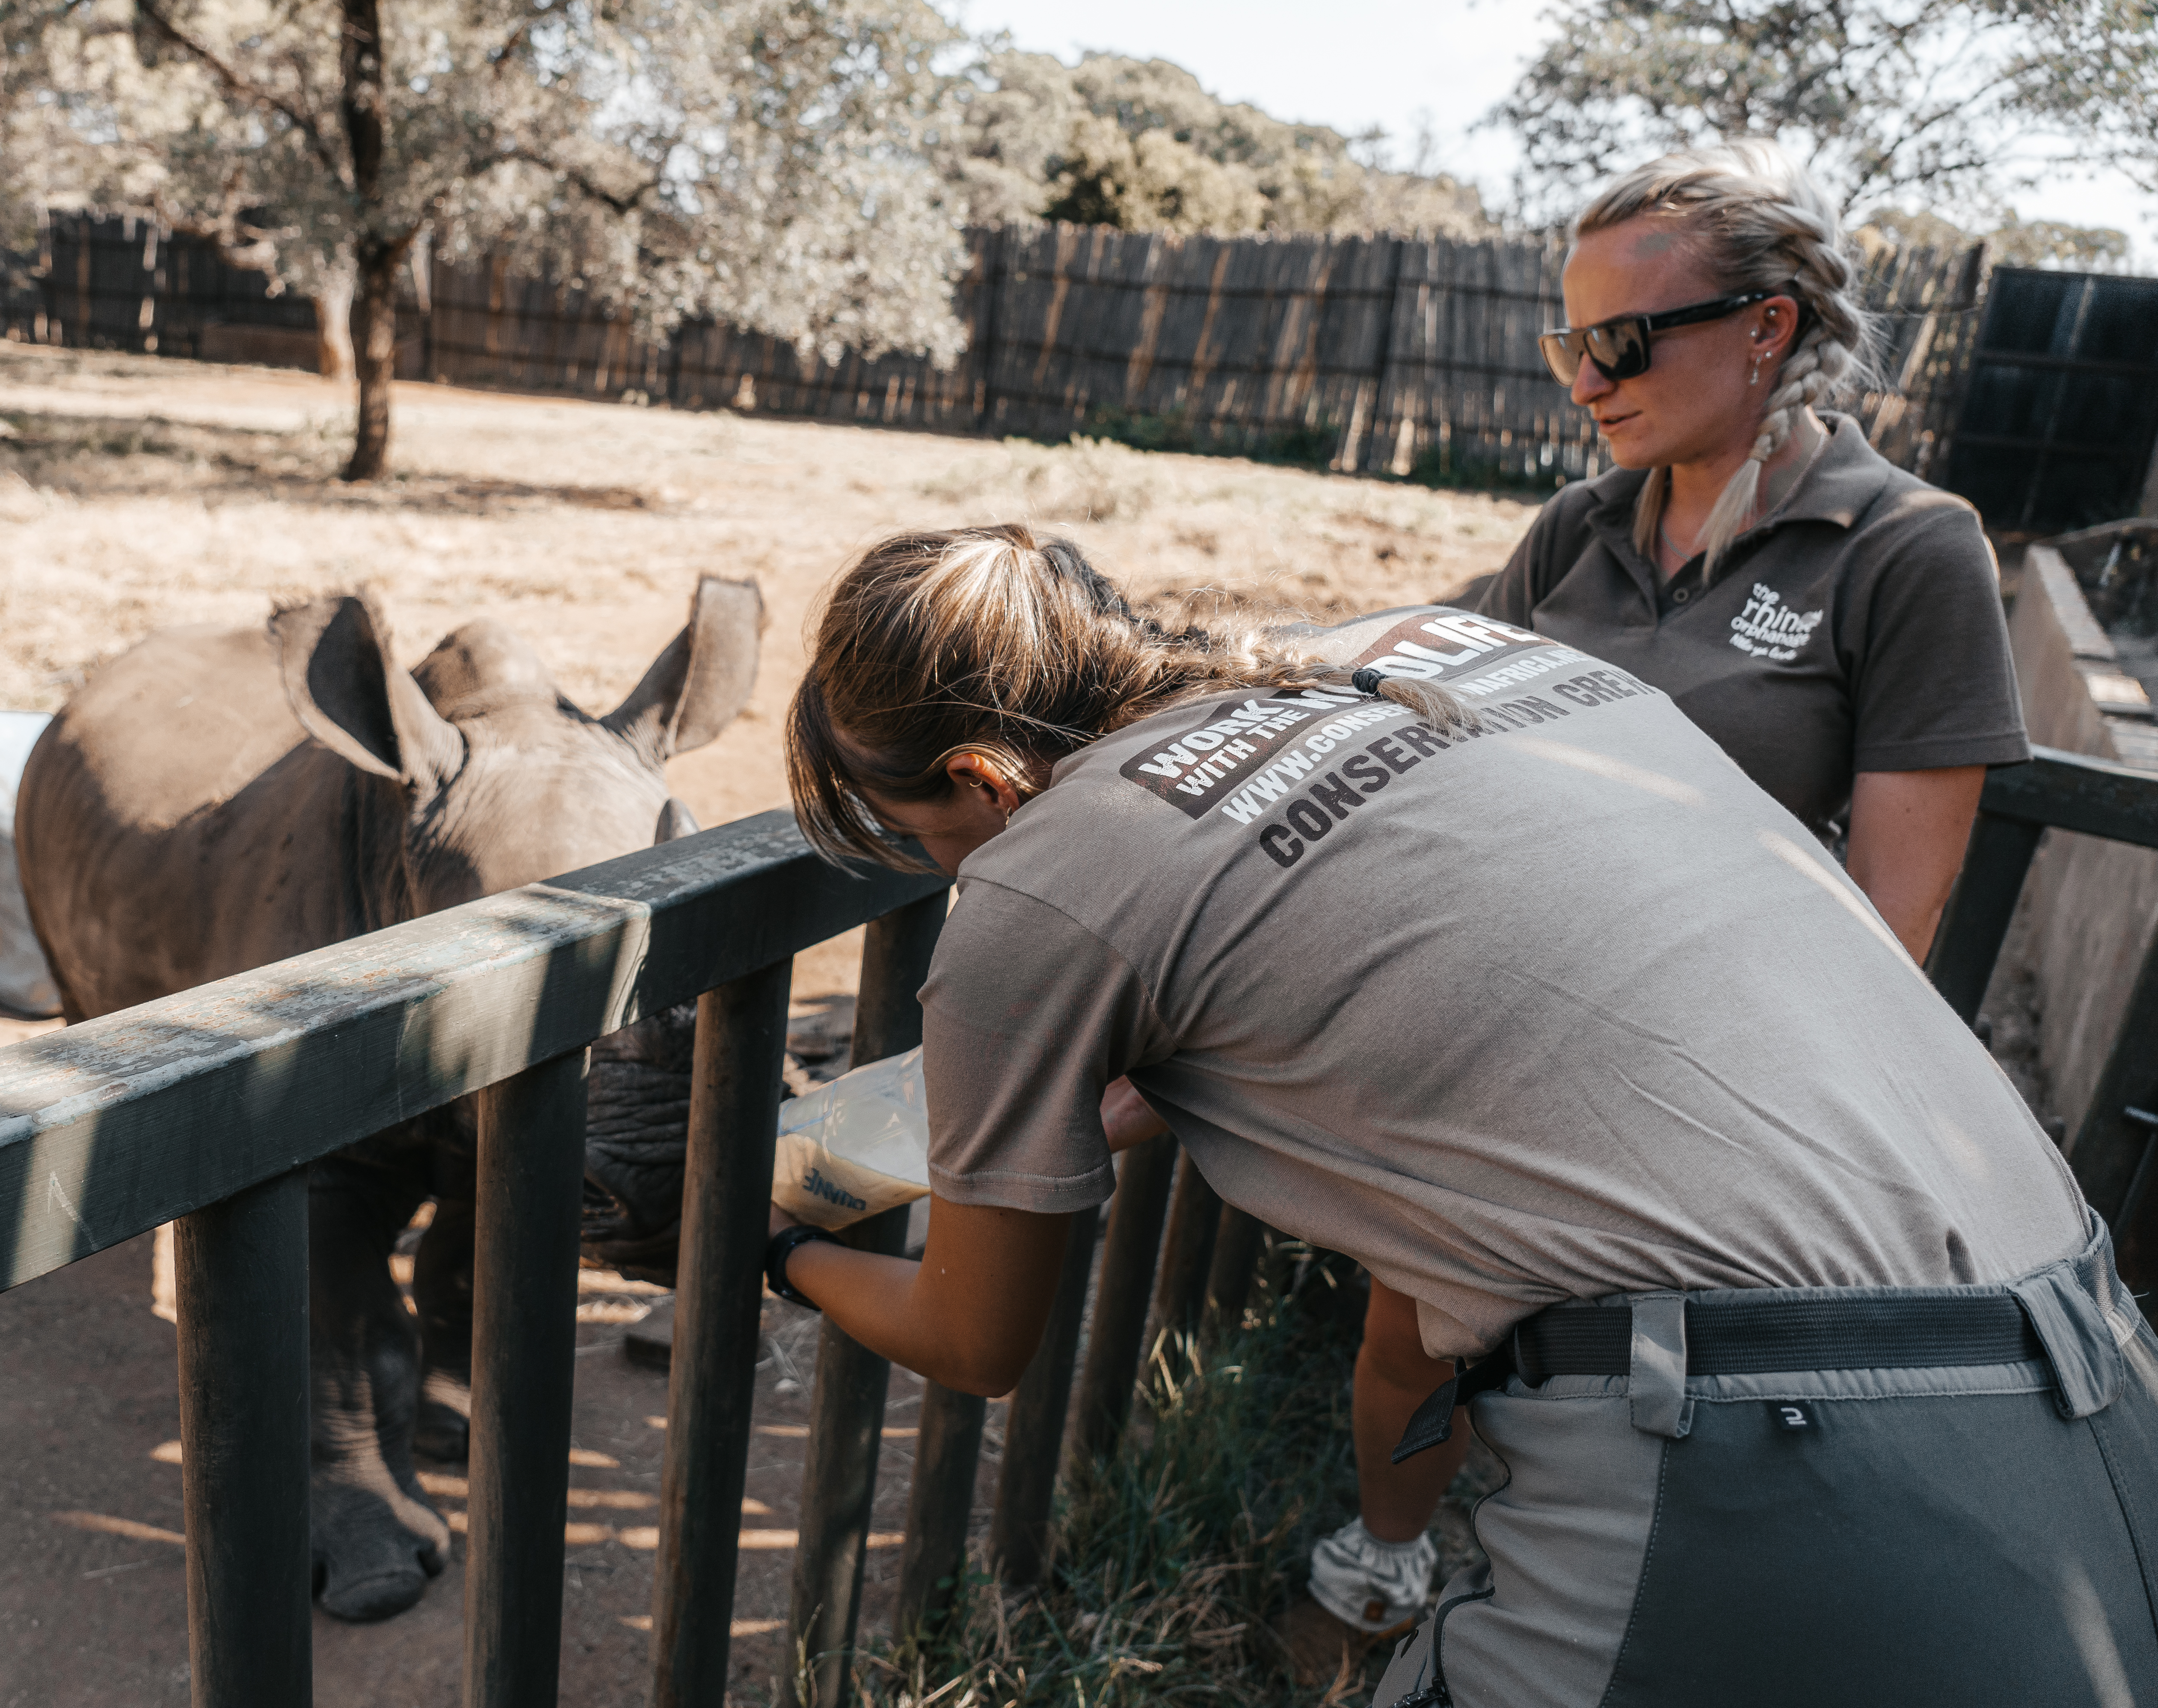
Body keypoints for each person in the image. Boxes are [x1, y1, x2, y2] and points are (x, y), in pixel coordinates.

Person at [764, 522, 2153, 1707]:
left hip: (1780, 1449)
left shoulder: (1044, 873)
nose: (945, 875)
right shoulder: (1442, 651)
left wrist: (783, 1248)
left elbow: (977, 1338)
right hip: (2095, 1368)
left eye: (917, 845)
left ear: (982, 784)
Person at [1314, 138, 2040, 1661]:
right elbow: (1398, 698)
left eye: (1624, 340)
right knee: (1411, 1336)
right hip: (1505, 1030)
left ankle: (1578, 1633)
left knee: (1628, 1401)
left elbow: (1888, 928)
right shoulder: (1581, 532)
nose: (1586, 377)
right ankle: (1391, 1560)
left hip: (1720, 1079)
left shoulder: (1908, 551)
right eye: (1567, 341)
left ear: (1767, 327)